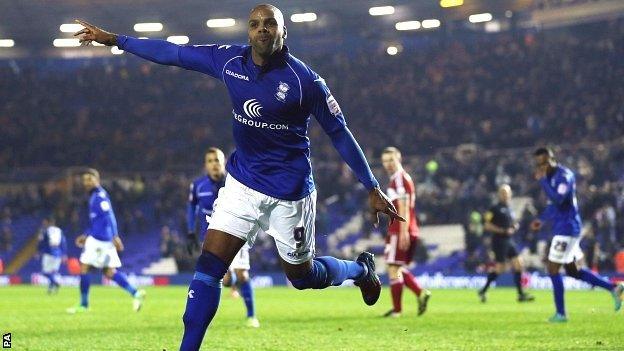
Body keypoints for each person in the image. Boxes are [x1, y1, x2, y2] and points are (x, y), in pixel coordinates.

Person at [74, 4, 402, 349]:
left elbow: (340, 133)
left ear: (283, 32)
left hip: (289, 193)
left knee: (302, 277)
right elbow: (174, 53)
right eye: (255, 24)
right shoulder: (230, 62)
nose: (262, 29)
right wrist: (114, 40)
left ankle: (360, 271)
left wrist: (372, 186)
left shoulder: (306, 82)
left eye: (270, 24)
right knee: (208, 267)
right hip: (242, 185)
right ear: (248, 32)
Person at [531, 148, 623, 322]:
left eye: (544, 163)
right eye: (539, 164)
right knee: (573, 271)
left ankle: (561, 314)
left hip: (567, 228)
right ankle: (613, 288)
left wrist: (542, 181)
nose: (541, 167)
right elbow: (554, 205)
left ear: (552, 159)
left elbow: (559, 200)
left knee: (552, 269)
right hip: (563, 227)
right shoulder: (551, 177)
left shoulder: (564, 176)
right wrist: (541, 219)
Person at [187, 147, 259, 328]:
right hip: (211, 237)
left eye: (217, 160)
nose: (214, 164)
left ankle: (251, 316)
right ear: (206, 165)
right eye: (210, 161)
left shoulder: (234, 182)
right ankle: (231, 281)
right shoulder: (197, 186)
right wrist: (190, 232)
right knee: (225, 280)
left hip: (237, 232)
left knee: (243, 274)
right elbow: (191, 208)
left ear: (224, 162)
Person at [67, 169, 146, 314]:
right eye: (85, 180)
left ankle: (84, 305)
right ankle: (135, 293)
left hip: (99, 239)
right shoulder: (93, 196)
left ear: (97, 180)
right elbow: (97, 221)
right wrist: (86, 235)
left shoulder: (99, 196)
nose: (87, 182)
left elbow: (109, 216)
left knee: (84, 267)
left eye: (90, 179)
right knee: (109, 272)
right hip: (99, 237)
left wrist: (115, 236)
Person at [381, 147, 430, 317]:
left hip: (400, 229)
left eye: (391, 160)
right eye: (385, 161)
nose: (388, 164)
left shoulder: (400, 179)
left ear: (398, 159)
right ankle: (420, 293)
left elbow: (403, 207)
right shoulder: (397, 179)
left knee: (393, 268)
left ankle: (397, 311)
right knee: (396, 267)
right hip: (401, 228)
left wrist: (403, 232)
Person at [478, 184, 534, 303]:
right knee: (500, 268)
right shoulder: (494, 209)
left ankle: (520, 294)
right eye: (503, 193)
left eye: (507, 193)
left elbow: (512, 223)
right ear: (499, 194)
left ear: (510, 194)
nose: (505, 195)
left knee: (519, 264)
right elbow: (487, 225)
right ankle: (483, 290)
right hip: (498, 240)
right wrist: (502, 230)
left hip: (508, 240)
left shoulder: (509, 209)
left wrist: (515, 226)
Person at [36, 217, 67, 294]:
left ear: (48, 222)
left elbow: (42, 242)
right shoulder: (59, 231)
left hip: (48, 253)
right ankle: (51, 288)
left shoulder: (46, 231)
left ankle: (55, 283)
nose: (43, 224)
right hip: (58, 253)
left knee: (45, 272)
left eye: (44, 222)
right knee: (53, 272)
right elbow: (63, 242)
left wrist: (38, 251)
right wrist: (64, 254)